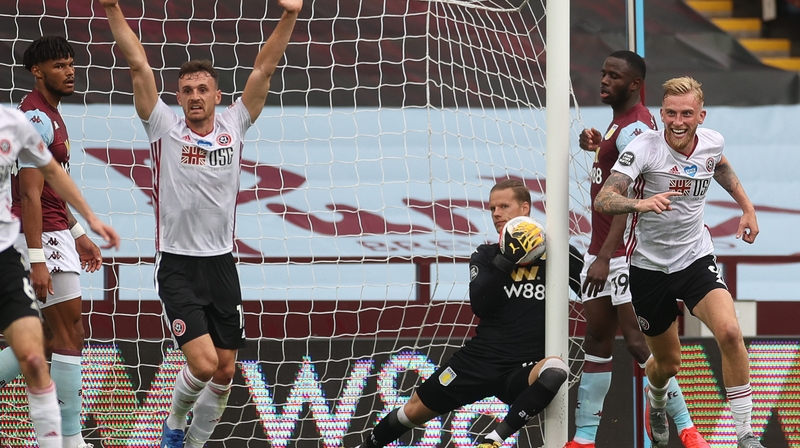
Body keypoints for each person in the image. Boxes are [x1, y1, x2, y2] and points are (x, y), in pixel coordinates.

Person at [98, 0, 302, 446]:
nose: (194, 96)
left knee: (226, 371)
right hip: (177, 264)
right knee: (205, 365)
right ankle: (173, 424)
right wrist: (113, 8)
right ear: (178, 98)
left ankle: (192, 443)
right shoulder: (163, 128)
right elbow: (139, 66)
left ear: (217, 96)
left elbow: (264, 71)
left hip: (222, 264)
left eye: (202, 89)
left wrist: (289, 15)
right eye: (187, 89)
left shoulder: (236, 123)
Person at [595, 77, 763, 448]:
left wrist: (746, 207)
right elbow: (605, 198)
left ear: (701, 116)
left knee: (731, 333)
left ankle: (745, 435)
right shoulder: (643, 149)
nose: (678, 121)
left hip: (694, 259)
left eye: (687, 113)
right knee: (667, 365)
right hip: (648, 268)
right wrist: (640, 203)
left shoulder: (712, 141)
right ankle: (656, 401)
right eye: (670, 113)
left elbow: (718, 166)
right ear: (661, 113)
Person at [355, 179, 582, 448]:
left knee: (556, 370)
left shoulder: (560, 254)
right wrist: (508, 257)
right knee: (413, 410)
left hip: (523, 366)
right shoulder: (486, 254)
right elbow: (480, 304)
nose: (496, 213)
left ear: (525, 207)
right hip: (481, 359)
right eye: (492, 208)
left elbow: (590, 294)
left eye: (504, 206)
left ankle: (493, 440)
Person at [566, 51, 708, 448]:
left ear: (634, 85)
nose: (604, 80)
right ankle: (584, 437)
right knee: (596, 339)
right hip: (601, 249)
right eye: (603, 72)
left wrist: (605, 256)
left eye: (614, 76)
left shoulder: (639, 127)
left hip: (622, 253)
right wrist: (598, 146)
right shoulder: (619, 126)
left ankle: (685, 426)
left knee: (636, 340)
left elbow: (631, 201)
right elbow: (615, 172)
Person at [0, 36, 103, 448]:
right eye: (59, 65)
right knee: (69, 335)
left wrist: (78, 232)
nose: (70, 71)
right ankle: (71, 440)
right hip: (41, 237)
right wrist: (39, 257)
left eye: (71, 63)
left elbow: (51, 191)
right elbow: (28, 193)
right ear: (37, 72)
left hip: (57, 231)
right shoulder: (36, 118)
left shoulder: (52, 116)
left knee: (44, 339)